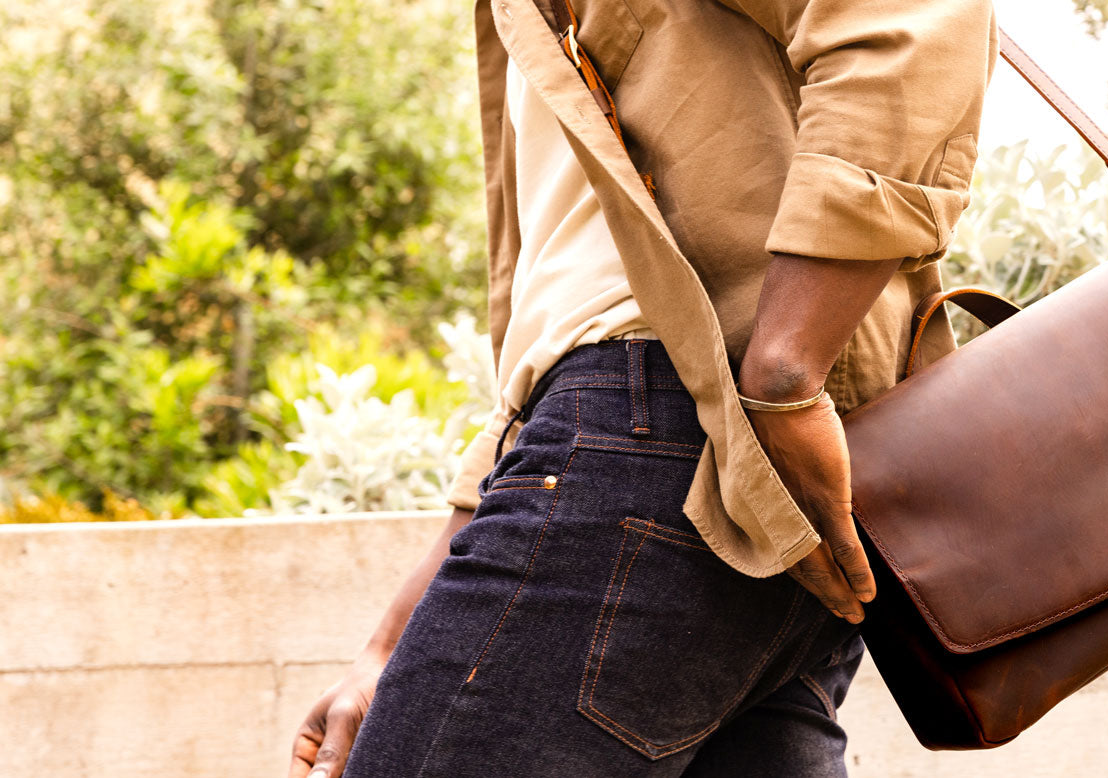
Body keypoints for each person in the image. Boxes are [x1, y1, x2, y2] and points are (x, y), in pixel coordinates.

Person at [287, 0, 994, 775]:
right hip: (719, 467)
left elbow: (912, 23)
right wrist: (394, 640)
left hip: (678, 450)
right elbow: (558, 340)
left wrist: (786, 372)